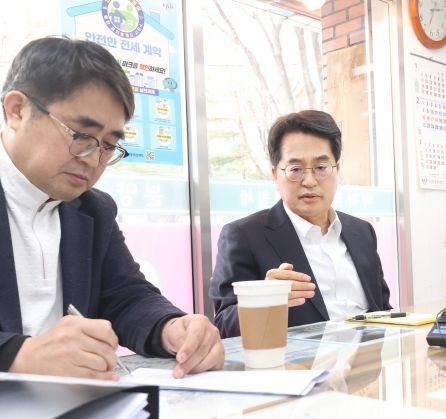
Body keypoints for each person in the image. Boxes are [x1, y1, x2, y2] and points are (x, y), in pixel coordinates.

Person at [0, 37, 224, 379]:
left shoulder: (93, 209)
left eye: (108, 146)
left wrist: (172, 327)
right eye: (80, 135)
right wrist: (17, 355)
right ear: (17, 110)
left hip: (76, 403)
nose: (93, 161)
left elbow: (125, 296)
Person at [210, 110, 392, 337]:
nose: (309, 181)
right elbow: (223, 326)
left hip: (366, 357)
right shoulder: (244, 235)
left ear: (337, 170)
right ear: (275, 175)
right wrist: (264, 300)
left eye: (321, 168)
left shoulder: (362, 232)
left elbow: (383, 310)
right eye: (295, 170)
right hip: (295, 359)